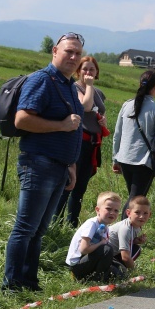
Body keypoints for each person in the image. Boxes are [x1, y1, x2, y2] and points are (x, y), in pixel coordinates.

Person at [2, 32, 85, 292]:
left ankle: (28, 281)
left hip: (59, 166)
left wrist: (71, 164)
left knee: (38, 230)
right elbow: (22, 120)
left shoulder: (69, 85)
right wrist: (61, 125)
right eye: (68, 51)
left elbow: (73, 129)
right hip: (38, 163)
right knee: (25, 227)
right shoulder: (43, 80)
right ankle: (11, 285)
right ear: (54, 51)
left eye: (77, 53)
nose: (73, 57)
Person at [54, 56, 110, 227]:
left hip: (92, 144)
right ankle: (55, 222)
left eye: (92, 69)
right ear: (78, 71)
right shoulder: (75, 87)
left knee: (81, 187)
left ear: (97, 72)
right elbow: (85, 106)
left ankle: (72, 224)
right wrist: (90, 86)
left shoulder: (98, 92)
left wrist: (103, 121)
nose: (88, 72)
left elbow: (97, 111)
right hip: (78, 141)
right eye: (85, 69)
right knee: (69, 183)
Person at [112, 70, 155, 216]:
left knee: (133, 196)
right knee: (135, 200)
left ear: (140, 84)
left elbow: (117, 134)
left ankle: (127, 234)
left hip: (124, 158)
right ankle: (120, 233)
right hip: (143, 162)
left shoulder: (127, 105)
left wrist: (115, 158)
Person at [65, 191, 124, 282]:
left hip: (89, 259)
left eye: (116, 210)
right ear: (97, 210)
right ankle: (97, 279)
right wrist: (101, 243)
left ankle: (99, 275)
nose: (112, 213)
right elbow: (83, 249)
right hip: (77, 265)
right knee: (107, 249)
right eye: (108, 209)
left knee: (120, 273)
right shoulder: (92, 224)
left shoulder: (105, 226)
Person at [108, 195, 151, 273]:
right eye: (137, 212)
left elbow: (127, 241)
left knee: (136, 248)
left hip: (114, 253)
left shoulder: (136, 225)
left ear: (149, 215)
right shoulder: (125, 229)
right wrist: (135, 272)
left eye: (145, 213)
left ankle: (121, 268)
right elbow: (125, 257)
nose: (141, 216)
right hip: (105, 256)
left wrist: (136, 240)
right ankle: (121, 269)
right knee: (136, 250)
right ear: (128, 213)